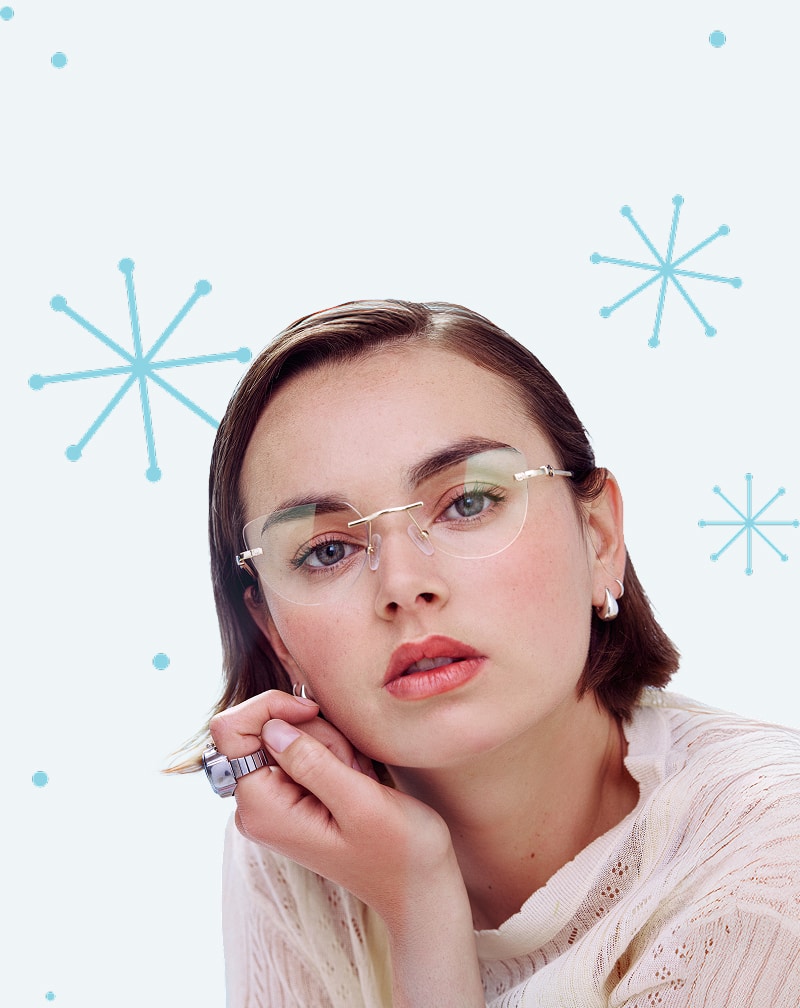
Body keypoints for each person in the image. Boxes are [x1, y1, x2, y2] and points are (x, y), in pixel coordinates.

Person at [173, 300, 800, 1007]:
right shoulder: (302, 841)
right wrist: (413, 880)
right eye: (326, 550)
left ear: (598, 536)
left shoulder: (772, 867)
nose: (405, 586)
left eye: (467, 503)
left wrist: (417, 906)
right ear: (275, 631)